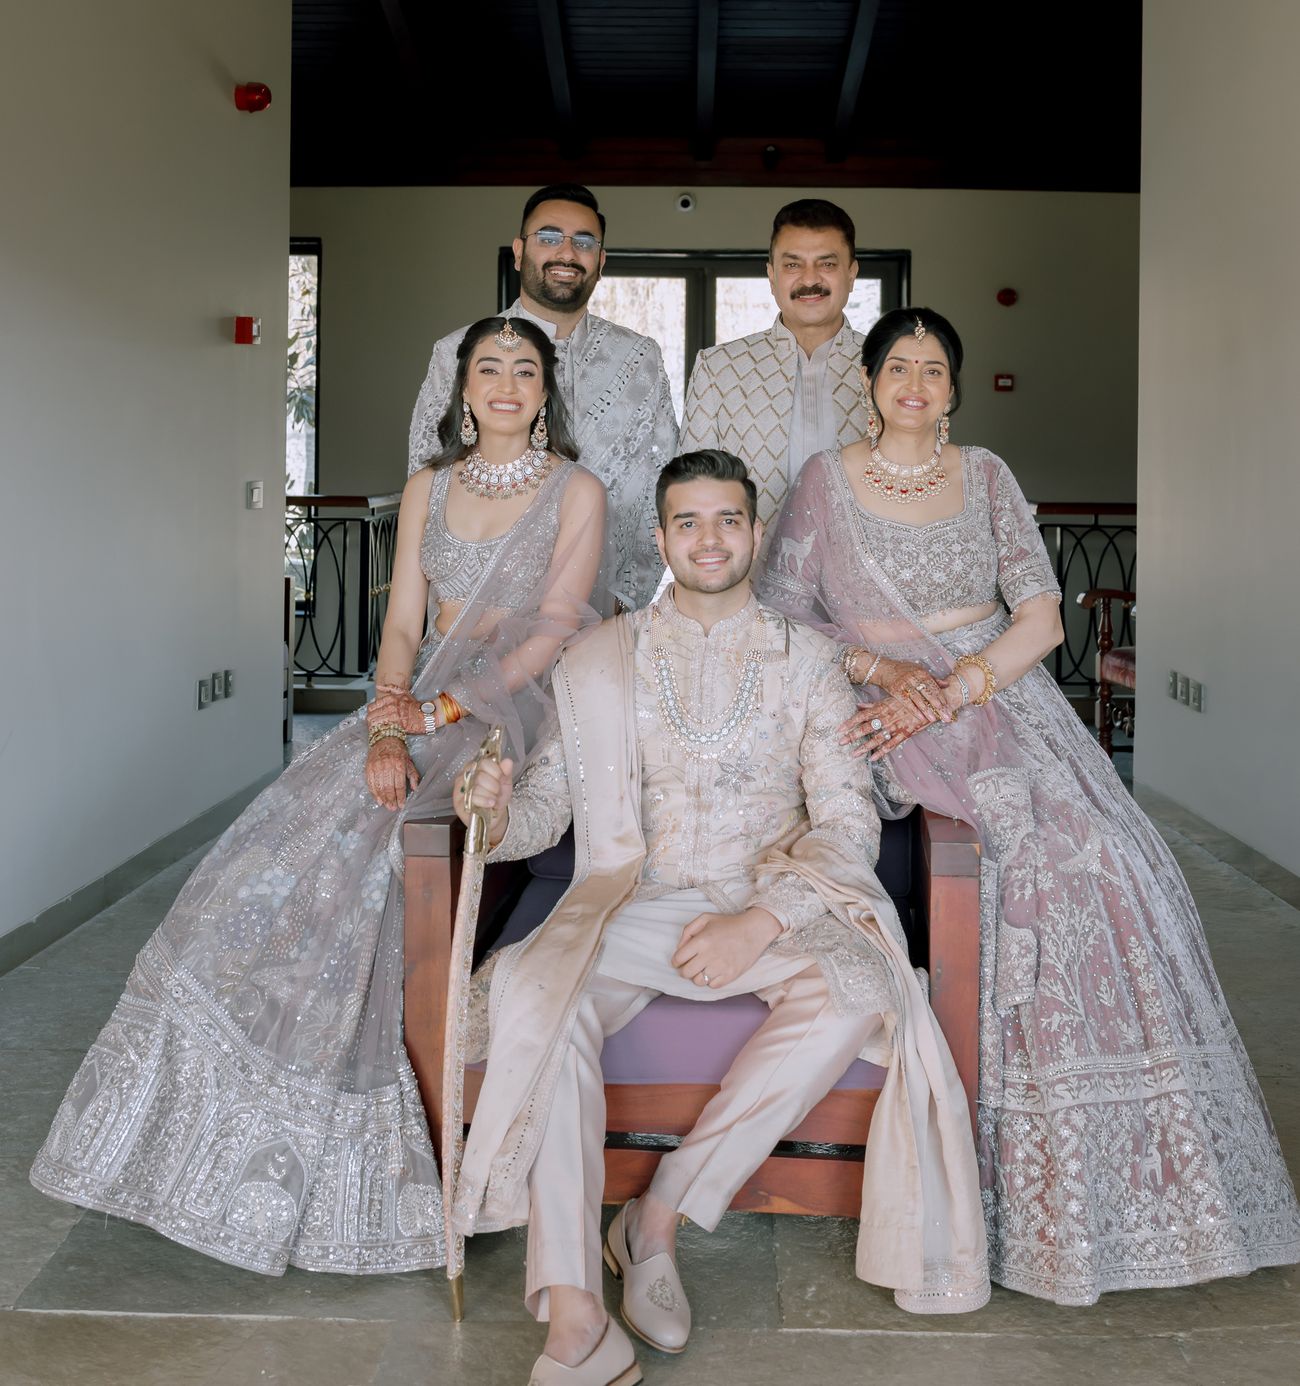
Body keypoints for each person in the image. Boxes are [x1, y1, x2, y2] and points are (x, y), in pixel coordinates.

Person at [30, 316, 608, 1276]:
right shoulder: (428, 486)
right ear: (463, 390)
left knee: (376, 853)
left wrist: (446, 711)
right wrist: (385, 724)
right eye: (488, 367)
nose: (506, 382)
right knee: (272, 851)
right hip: (414, 701)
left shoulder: (575, 490)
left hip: (514, 704)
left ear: (547, 391)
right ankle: (208, 1125)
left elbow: (556, 627)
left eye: (525, 368)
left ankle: (342, 1135)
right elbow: (403, 621)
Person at [758, 305, 1300, 1305]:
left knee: (1101, 857)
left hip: (995, 699)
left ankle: (1116, 1181)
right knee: (985, 861)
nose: (914, 382)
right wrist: (884, 673)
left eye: (933, 368)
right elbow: (782, 608)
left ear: (953, 389)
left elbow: (1043, 617)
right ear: (868, 383)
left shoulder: (987, 476)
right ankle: (976, 1159)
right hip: (875, 705)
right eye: (897, 366)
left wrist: (956, 688)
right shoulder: (824, 483)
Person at [449, 450, 990, 1386]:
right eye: (688, 522)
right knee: (546, 1002)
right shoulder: (598, 660)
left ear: (755, 532)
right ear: (661, 539)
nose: (709, 539)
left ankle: (655, 1218)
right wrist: (488, 810)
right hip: (633, 897)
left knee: (861, 988)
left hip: (766, 897)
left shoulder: (809, 662)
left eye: (728, 519)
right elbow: (541, 815)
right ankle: (575, 1315)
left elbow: (847, 823)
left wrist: (763, 922)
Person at [409, 183, 678, 609]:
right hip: (475, 611)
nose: (567, 253)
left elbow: (661, 482)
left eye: (584, 242)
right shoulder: (456, 351)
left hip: (602, 615)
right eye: (549, 237)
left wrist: (627, 598)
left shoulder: (639, 358)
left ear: (600, 261)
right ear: (519, 252)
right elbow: (428, 476)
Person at [679, 199, 873, 527]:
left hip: (863, 560)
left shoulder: (889, 368)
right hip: (752, 560)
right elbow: (691, 493)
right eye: (793, 265)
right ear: (772, 276)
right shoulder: (719, 369)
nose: (810, 279)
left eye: (827, 264)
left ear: (851, 274)